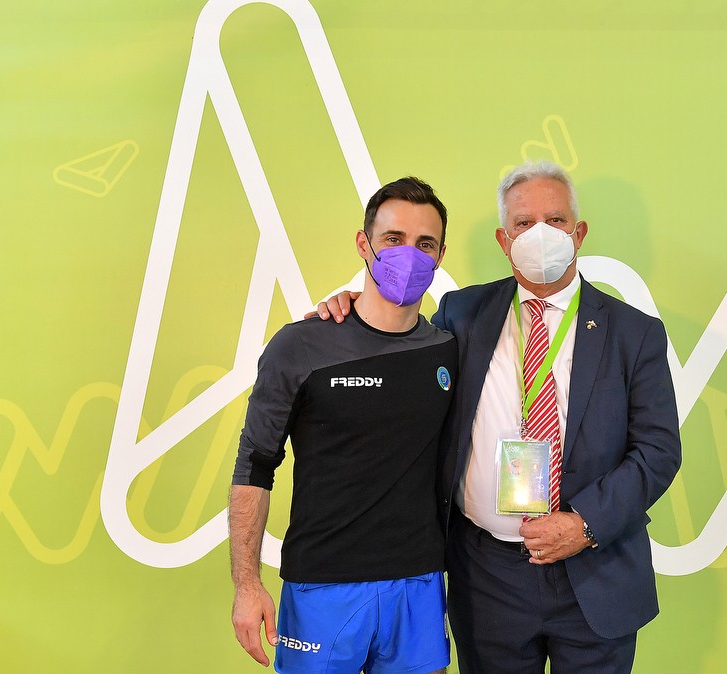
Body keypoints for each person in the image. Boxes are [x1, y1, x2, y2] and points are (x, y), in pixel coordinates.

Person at [317, 161, 682, 674]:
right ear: (503, 239)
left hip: (596, 570)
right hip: (487, 576)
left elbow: (658, 452)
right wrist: (353, 308)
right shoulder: (461, 314)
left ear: (579, 233)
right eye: (523, 223)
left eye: (555, 221)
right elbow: (398, 345)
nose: (539, 234)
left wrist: (583, 524)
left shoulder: (634, 333)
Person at [230, 177, 457, 674]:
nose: (409, 255)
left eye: (425, 244)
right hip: (321, 587)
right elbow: (254, 467)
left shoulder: (448, 349)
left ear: (441, 256)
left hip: (419, 584)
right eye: (393, 239)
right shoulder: (300, 346)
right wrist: (247, 584)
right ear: (363, 244)